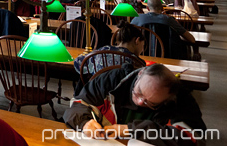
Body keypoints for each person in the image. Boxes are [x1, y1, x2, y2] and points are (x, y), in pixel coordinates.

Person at [64, 63, 206, 145]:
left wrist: (132, 130)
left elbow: (194, 138)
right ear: (140, 74)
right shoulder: (111, 81)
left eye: (149, 102)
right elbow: (77, 104)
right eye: (138, 92)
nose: (139, 102)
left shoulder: (180, 100)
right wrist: (84, 123)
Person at [73, 21, 146, 76]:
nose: (142, 50)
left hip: (97, 92)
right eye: (142, 45)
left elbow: (78, 62)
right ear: (137, 41)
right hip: (120, 95)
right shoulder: (137, 62)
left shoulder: (102, 51)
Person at [131, 0, 196, 45]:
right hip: (168, 56)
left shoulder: (138, 18)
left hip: (142, 55)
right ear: (162, 8)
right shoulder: (169, 20)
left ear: (147, 8)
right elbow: (191, 39)